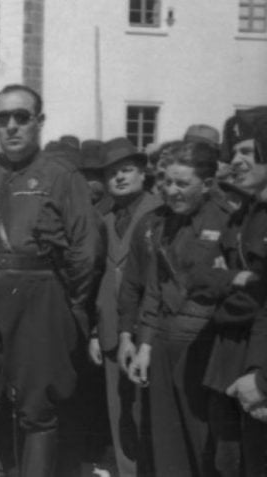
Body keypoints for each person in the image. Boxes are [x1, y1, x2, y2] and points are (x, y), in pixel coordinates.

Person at [0, 84, 102, 477]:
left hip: (38, 292)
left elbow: (86, 252)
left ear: (39, 122)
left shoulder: (62, 176)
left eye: (22, 117)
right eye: (2, 118)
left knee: (38, 405)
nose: (11, 126)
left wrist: (65, 302)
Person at [126, 142, 231, 475]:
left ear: (207, 183)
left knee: (206, 445)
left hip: (208, 347)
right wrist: (145, 344)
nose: (172, 191)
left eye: (182, 183)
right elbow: (155, 289)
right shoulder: (159, 225)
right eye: (167, 182)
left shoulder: (228, 221)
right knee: (167, 446)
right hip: (165, 344)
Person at [190, 107, 267, 475]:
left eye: (247, 153)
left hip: (258, 360)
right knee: (228, 462)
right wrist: (234, 281)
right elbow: (200, 275)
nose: (235, 161)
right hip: (229, 355)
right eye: (232, 153)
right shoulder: (243, 214)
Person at [89, 138, 161, 477]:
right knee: (120, 412)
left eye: (127, 170)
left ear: (143, 173)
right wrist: (94, 330)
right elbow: (96, 275)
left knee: (151, 414)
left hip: (150, 330)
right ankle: (125, 471)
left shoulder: (160, 211)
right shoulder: (101, 217)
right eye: (112, 173)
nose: (119, 178)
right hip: (109, 328)